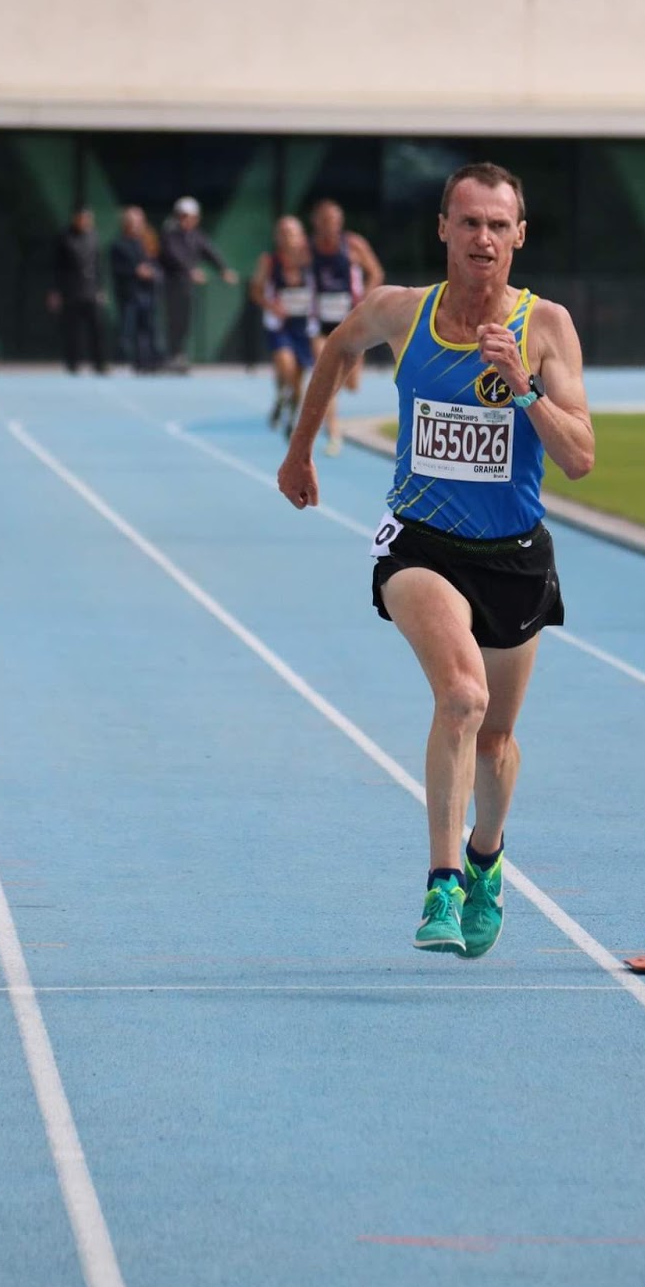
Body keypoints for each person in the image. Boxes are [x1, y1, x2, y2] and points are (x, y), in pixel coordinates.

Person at [278, 162, 594, 957]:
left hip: (515, 554)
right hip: (421, 544)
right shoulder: (399, 312)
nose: (482, 237)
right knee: (461, 697)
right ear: (444, 230)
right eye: (469, 222)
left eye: (498, 224)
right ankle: (442, 885)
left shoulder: (546, 326)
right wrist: (300, 450)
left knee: (496, 739)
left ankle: (487, 858)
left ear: (518, 236)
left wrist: (522, 388)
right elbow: (333, 346)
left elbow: (583, 457)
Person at [309, 199, 385, 455]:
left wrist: (365, 297)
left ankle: (333, 405)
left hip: (350, 320)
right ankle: (333, 432)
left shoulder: (352, 244)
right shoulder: (309, 249)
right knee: (326, 372)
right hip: (320, 323)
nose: (331, 226)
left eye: (335, 221)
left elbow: (375, 272)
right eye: (325, 221)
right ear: (316, 223)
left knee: (352, 384)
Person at [249, 216, 318, 438]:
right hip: (280, 325)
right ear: (278, 237)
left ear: (301, 237)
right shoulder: (269, 261)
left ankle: (290, 415)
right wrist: (272, 305)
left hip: (304, 325)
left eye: (293, 232)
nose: (289, 237)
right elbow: (256, 290)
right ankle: (280, 394)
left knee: (299, 379)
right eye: (285, 232)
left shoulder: (311, 261)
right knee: (286, 366)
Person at [159, 196, 237, 372]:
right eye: (184, 216)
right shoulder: (170, 234)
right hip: (172, 285)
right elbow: (173, 255)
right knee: (174, 321)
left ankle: (179, 355)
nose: (189, 220)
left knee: (184, 322)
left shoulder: (195, 235)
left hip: (186, 288)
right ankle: (170, 356)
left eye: (192, 217)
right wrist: (189, 270)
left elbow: (209, 251)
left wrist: (223, 269)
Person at [49, 207, 108, 375]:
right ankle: (73, 363)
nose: (85, 222)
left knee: (97, 328)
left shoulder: (94, 237)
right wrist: (55, 291)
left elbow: (98, 265)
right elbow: (57, 267)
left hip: (91, 290)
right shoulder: (64, 237)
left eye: (88, 219)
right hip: (71, 290)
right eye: (82, 218)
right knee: (72, 330)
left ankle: (100, 364)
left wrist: (101, 289)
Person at [110, 206, 161, 372]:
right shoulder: (118, 245)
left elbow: (155, 262)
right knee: (127, 331)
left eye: (139, 221)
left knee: (147, 329)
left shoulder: (146, 242)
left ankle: (146, 363)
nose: (137, 225)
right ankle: (122, 360)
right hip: (129, 293)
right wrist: (135, 271)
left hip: (147, 292)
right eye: (133, 221)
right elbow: (116, 269)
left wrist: (151, 271)